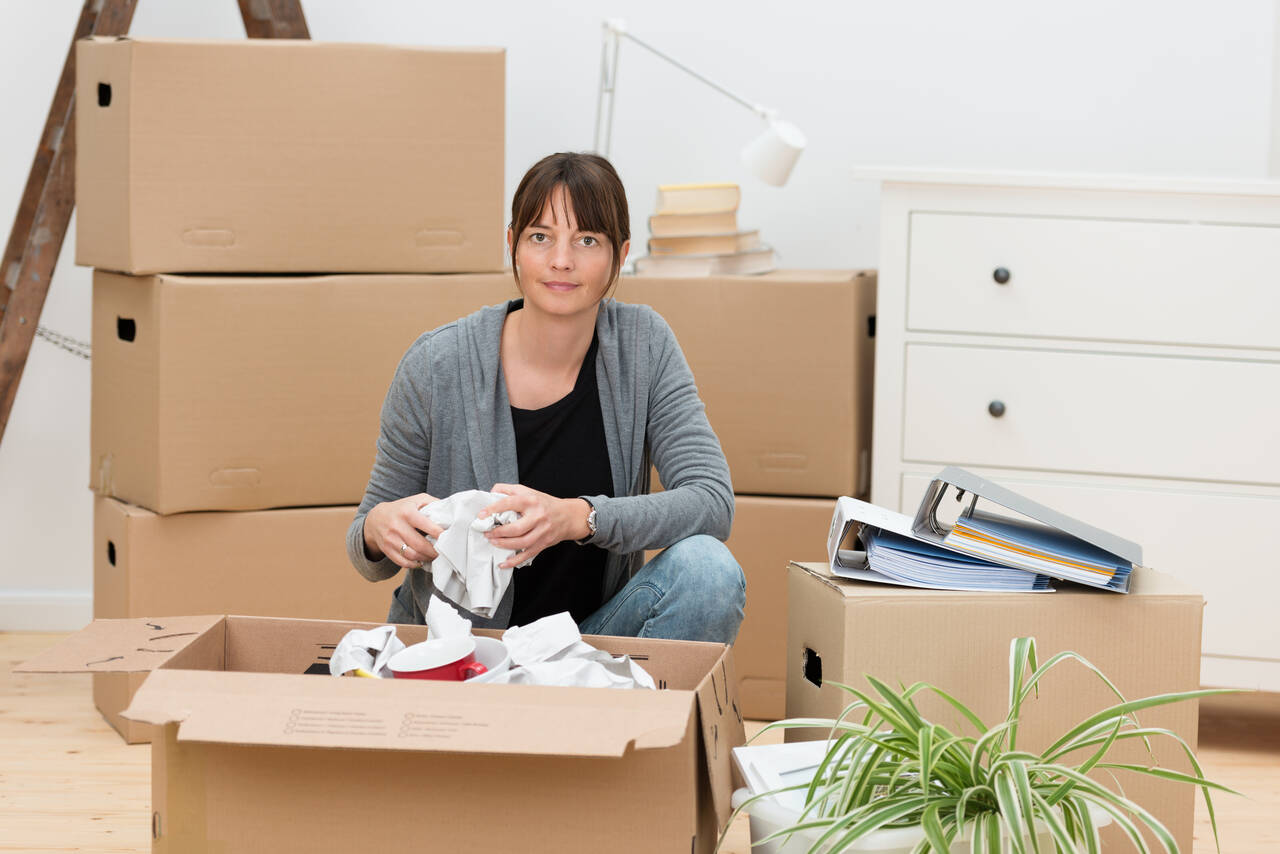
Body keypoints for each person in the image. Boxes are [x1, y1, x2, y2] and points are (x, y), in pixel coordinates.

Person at [346, 152, 744, 643]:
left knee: (709, 571)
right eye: (541, 237)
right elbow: (367, 544)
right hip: (460, 654)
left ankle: (625, 720)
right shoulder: (437, 363)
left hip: (590, 649)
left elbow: (710, 501)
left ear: (619, 256)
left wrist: (578, 517)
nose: (562, 260)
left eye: (587, 240)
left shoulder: (644, 346)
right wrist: (378, 528)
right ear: (513, 245)